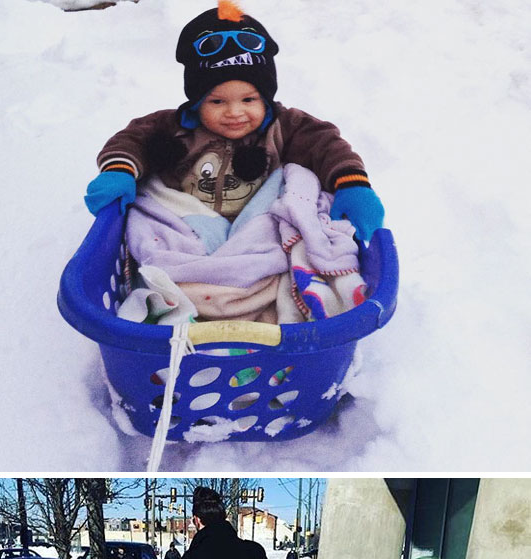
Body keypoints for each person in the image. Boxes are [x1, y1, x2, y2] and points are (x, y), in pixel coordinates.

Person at [84, 3, 385, 323]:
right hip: (187, 229)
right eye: (217, 101)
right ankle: (191, 298)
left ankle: (257, 294)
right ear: (197, 101)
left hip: (258, 233)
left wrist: (352, 184)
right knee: (148, 230)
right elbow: (133, 140)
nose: (235, 112)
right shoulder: (172, 127)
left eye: (249, 99)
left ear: (265, 98)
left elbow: (325, 144)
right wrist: (119, 170)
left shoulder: (284, 127)